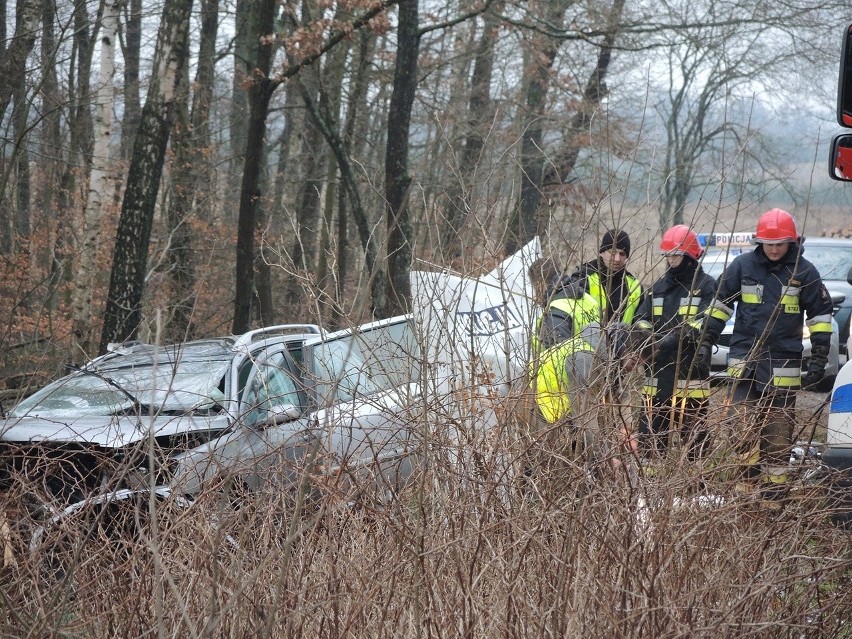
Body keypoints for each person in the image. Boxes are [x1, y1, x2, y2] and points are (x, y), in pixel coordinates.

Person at [703, 209, 834, 496]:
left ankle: (773, 502)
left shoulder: (804, 271)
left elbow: (820, 317)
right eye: (768, 243)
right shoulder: (741, 267)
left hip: (781, 368)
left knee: (777, 440)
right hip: (745, 365)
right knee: (739, 428)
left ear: (792, 241)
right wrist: (706, 339)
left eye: (780, 243)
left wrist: (819, 359)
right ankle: (745, 493)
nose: (774, 249)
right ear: (758, 242)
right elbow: (720, 306)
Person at [633, 225, 717, 466]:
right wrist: (646, 340)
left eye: (677, 255)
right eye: (669, 255)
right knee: (651, 444)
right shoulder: (657, 288)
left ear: (691, 257)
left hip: (690, 377)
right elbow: (641, 319)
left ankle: (695, 496)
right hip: (656, 376)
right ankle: (649, 498)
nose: (672, 261)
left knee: (694, 445)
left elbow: (704, 322)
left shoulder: (707, 287)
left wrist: (670, 340)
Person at [564, 229, 644, 325]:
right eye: (612, 252)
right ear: (602, 252)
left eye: (622, 254)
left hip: (623, 339)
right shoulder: (583, 278)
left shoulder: (635, 286)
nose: (617, 259)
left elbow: (640, 322)